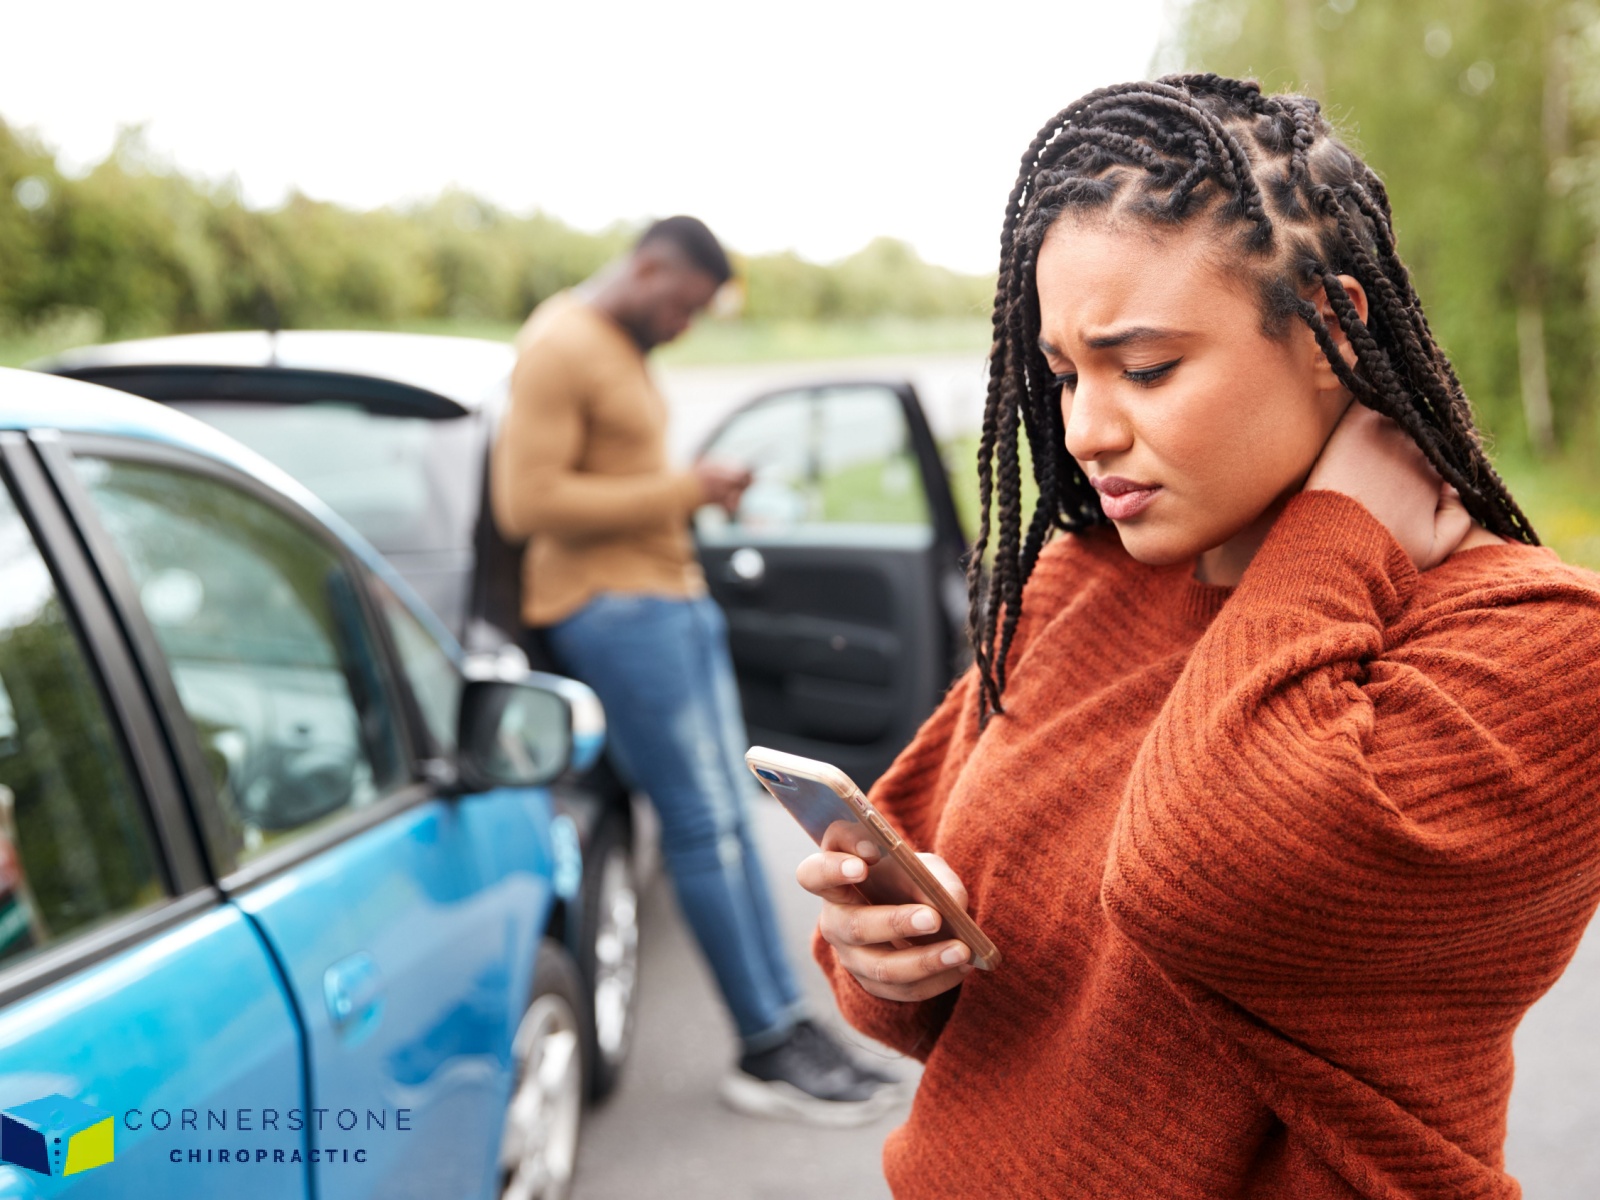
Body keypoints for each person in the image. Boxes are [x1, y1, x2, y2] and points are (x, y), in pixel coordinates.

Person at [797, 75, 1600, 1197]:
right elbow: (939, 978)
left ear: (1330, 330)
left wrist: (1334, 536)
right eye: (1065, 373)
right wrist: (893, 962)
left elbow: (1204, 879)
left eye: (1146, 368)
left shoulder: (1541, 648)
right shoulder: (1082, 583)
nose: (1082, 429)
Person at [491, 215, 898, 1124]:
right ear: (648, 268)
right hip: (615, 610)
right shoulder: (561, 343)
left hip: (668, 603)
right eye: (680, 306)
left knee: (731, 820)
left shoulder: (617, 344)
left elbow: (609, 475)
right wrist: (688, 489)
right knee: (703, 826)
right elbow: (527, 502)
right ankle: (765, 1047)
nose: (682, 326)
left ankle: (791, 1025)